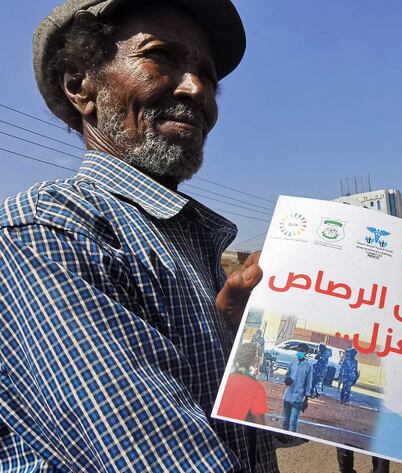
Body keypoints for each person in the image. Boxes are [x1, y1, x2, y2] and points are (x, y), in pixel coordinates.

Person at [0, 1, 281, 470]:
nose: (196, 89)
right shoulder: (48, 230)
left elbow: (257, 438)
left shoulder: (193, 245)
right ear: (79, 85)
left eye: (208, 75)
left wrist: (241, 349)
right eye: (161, 55)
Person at [218, 343, 269, 423]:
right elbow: (259, 421)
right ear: (253, 360)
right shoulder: (256, 387)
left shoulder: (224, 378)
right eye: (256, 356)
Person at [283, 343, 313, 432]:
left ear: (306, 353)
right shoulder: (293, 364)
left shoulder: (308, 366)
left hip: (298, 398)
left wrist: (306, 400)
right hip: (287, 396)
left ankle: (291, 437)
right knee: (285, 421)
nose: (299, 352)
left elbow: (309, 383)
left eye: (302, 351)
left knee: (293, 422)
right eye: (298, 350)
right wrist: (287, 380)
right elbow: (287, 376)